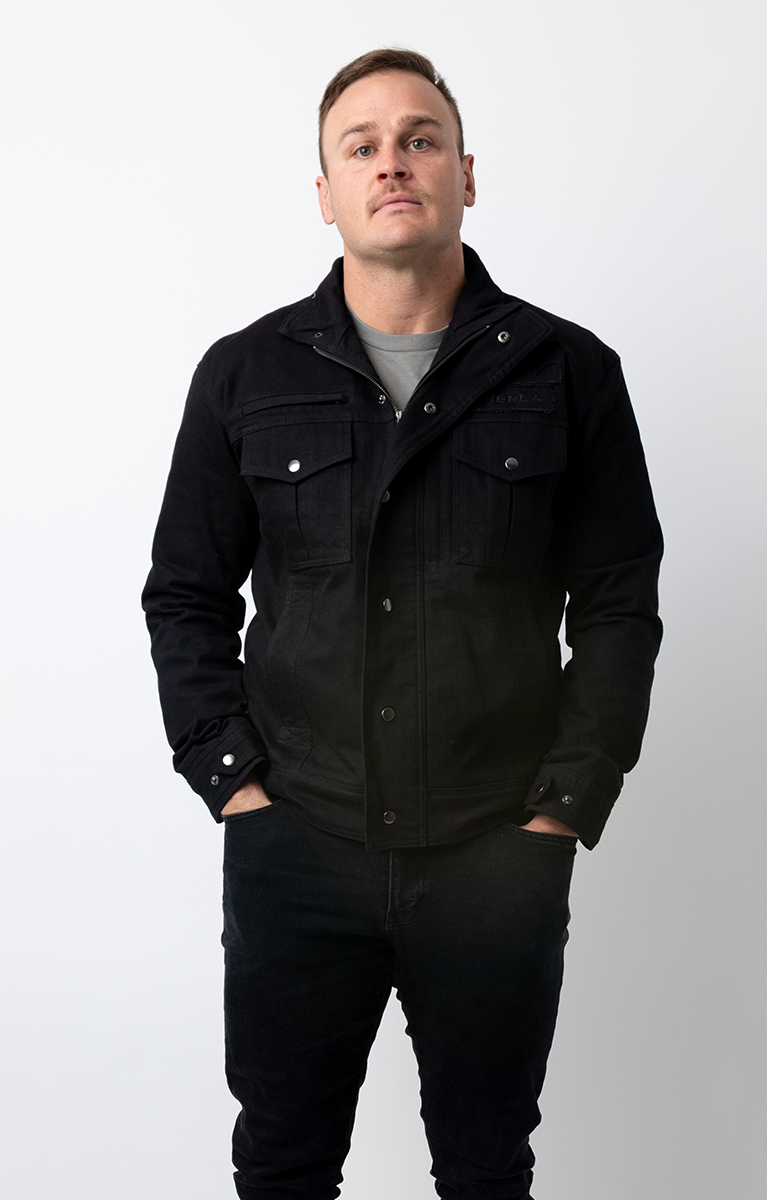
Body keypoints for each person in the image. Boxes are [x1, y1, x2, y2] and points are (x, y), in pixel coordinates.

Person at [143, 47, 662, 1200]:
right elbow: (184, 593)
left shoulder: (568, 373)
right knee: (282, 1166)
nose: (392, 162)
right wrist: (236, 788)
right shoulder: (243, 377)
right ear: (324, 192)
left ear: (464, 175)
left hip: (493, 850)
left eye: (419, 139)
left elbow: (618, 605)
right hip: (296, 846)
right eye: (361, 145)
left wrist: (561, 808)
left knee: (484, 1171)